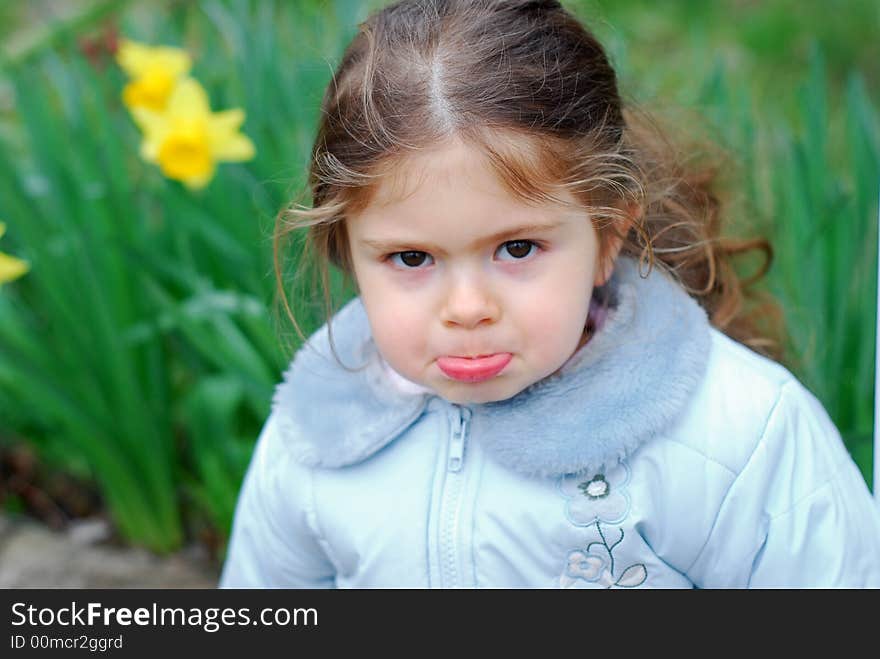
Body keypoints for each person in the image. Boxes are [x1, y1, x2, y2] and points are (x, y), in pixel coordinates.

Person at [220, 0, 880, 588]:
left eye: (517, 248)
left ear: (608, 236)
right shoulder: (319, 432)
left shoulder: (738, 433)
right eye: (412, 257)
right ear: (347, 250)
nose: (468, 306)